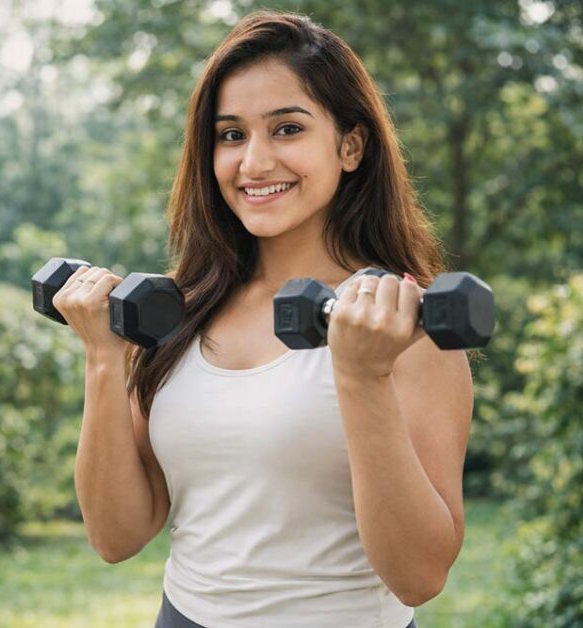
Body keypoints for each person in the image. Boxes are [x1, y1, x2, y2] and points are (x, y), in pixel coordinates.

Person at [52, 10, 473, 628]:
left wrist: (363, 378)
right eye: (231, 135)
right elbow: (116, 536)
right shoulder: (179, 313)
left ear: (351, 146)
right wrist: (101, 357)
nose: (253, 162)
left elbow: (419, 576)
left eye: (287, 129)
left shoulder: (405, 324)